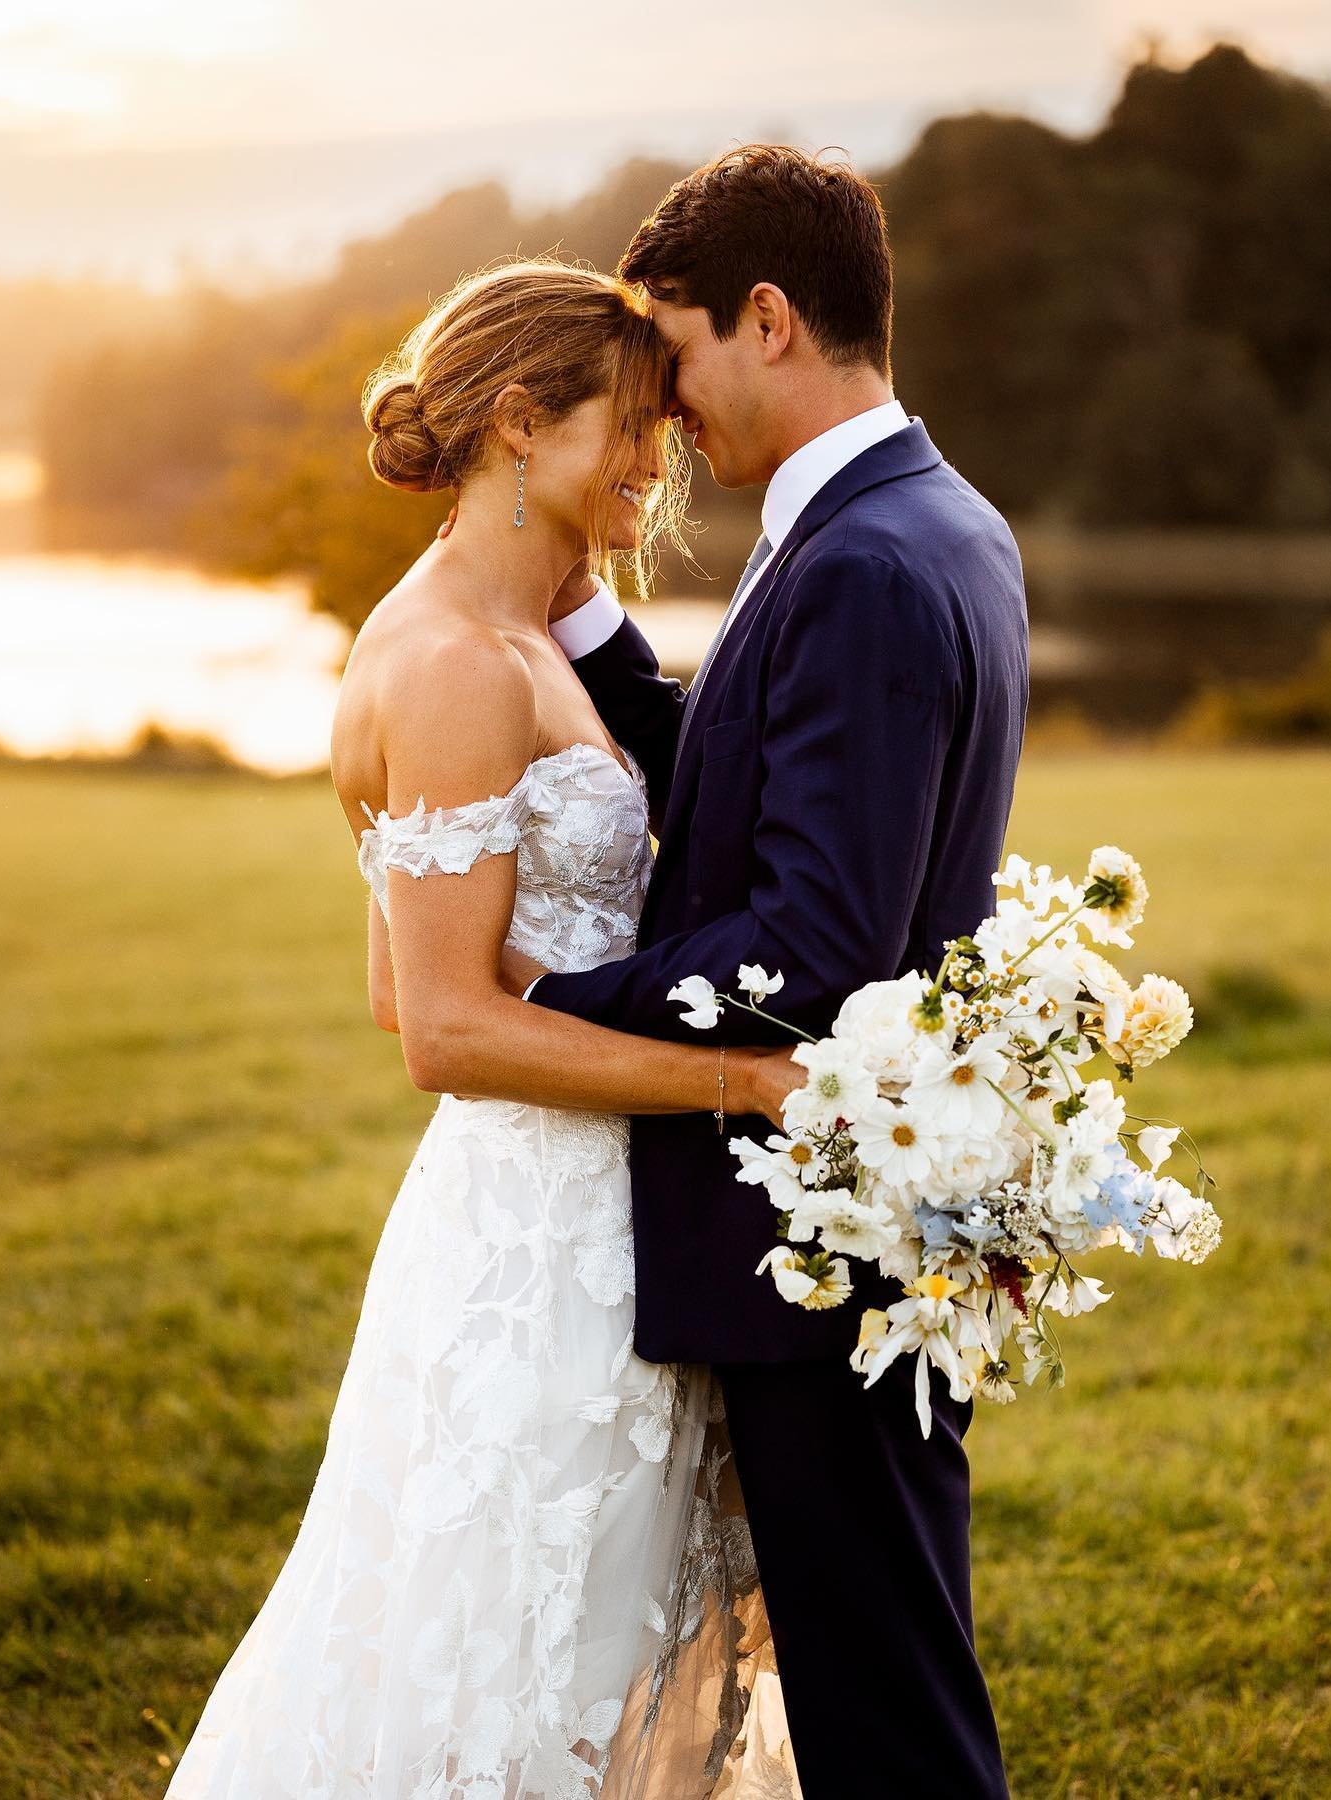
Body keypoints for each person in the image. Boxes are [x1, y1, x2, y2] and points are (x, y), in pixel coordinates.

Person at [165, 260, 798, 1800]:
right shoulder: (448, 661)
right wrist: (745, 1079)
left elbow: (405, 977)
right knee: (520, 1661)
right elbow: (437, 1031)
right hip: (538, 1249)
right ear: (522, 422)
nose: (656, 460)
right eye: (630, 429)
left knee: (600, 1644)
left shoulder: (532, 630)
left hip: (584, 1211)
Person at [509, 147, 1027, 1797]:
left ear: (771, 318)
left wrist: (534, 1015)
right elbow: (752, 793)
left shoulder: (863, 563)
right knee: (883, 1668)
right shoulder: (929, 520)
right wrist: (589, 627)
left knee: (887, 1719)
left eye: (675, 351)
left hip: (820, 1249)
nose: (664, 407)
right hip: (865, 1225)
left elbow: (805, 944)